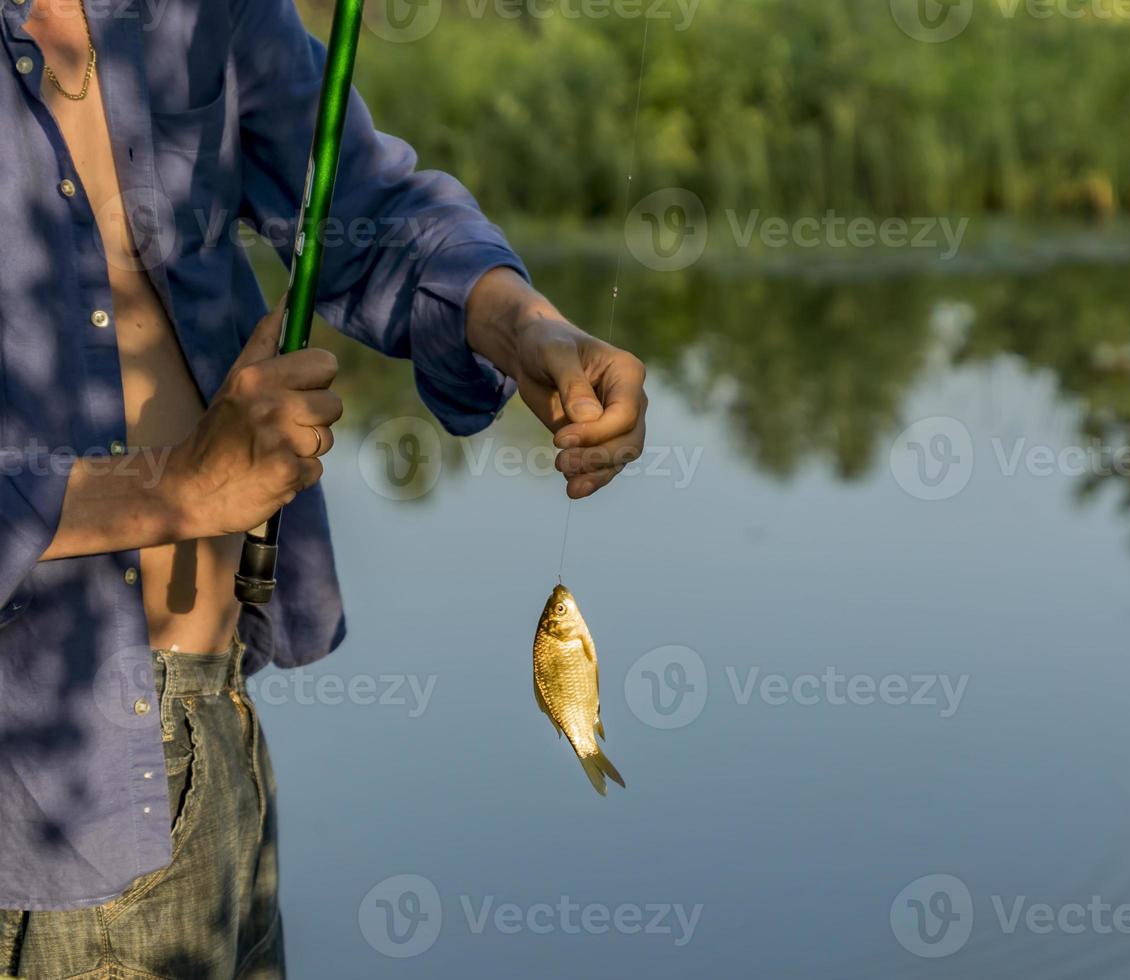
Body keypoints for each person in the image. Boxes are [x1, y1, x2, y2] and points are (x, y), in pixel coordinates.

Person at [0, 0, 648, 973]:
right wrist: (175, 486)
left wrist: (526, 329)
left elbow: (366, 206)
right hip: (43, 801)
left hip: (213, 723)